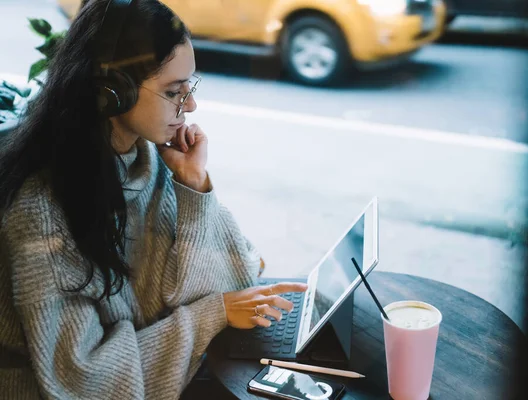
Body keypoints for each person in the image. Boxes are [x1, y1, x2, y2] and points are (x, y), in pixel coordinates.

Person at [0, 0, 307, 398]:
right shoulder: (44, 211)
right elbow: (84, 381)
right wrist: (212, 314)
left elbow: (239, 272)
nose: (191, 106)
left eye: (190, 87)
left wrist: (194, 186)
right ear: (112, 92)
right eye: (174, 91)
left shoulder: (145, 159)